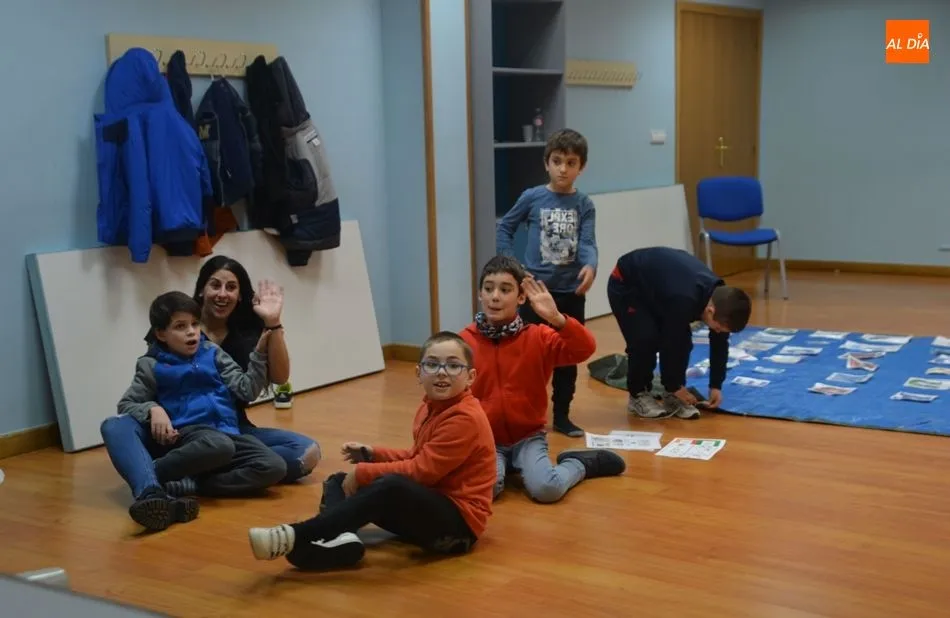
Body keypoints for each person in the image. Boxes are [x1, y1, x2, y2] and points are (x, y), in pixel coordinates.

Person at [100, 256, 321, 531]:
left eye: (231, 287)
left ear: (241, 296)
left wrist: (270, 332)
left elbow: (255, 386)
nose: (191, 332)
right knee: (117, 426)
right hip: (185, 431)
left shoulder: (217, 350)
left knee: (285, 460)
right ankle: (150, 482)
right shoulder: (158, 352)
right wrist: (153, 410)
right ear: (202, 289)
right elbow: (136, 397)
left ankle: (188, 483)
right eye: (215, 285)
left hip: (231, 429)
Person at [248, 331, 496, 570]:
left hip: (458, 529)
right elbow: (416, 455)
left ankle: (297, 534)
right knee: (340, 481)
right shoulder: (431, 407)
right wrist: (373, 453)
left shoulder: (464, 418)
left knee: (388, 485)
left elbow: (422, 472)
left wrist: (365, 472)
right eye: (432, 364)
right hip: (431, 503)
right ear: (418, 373)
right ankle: (342, 543)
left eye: (453, 366)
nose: (442, 372)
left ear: (471, 377)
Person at [114, 291, 288, 531]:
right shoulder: (151, 364)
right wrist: (153, 409)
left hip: (230, 434)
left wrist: (259, 354)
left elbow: (247, 390)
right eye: (180, 326)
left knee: (274, 467)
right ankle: (151, 477)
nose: (191, 332)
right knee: (219, 445)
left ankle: (194, 486)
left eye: (195, 324)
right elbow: (126, 405)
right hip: (191, 436)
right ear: (161, 334)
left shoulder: (213, 353)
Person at [460, 256, 625, 505]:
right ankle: (507, 466)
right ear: (480, 294)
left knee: (547, 489)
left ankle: (578, 463)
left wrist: (557, 318)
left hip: (528, 436)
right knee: (486, 490)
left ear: (521, 298)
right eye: (488, 288)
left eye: (505, 290)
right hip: (485, 438)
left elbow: (584, 349)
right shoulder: (464, 341)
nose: (495, 296)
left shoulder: (538, 337)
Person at [496, 128, 597, 438]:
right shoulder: (532, 197)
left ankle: (563, 416)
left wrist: (591, 265)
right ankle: (523, 416)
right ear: (546, 163)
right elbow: (505, 229)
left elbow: (588, 242)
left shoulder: (584, 204)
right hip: (535, 294)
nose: (563, 169)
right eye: (557, 161)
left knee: (567, 360)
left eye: (570, 162)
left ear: (582, 167)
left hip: (570, 294)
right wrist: (514, 268)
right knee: (528, 357)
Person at [606, 246, 752, 420]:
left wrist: (715, 385)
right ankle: (638, 394)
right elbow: (670, 341)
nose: (718, 332)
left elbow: (719, 343)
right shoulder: (684, 299)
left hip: (660, 288)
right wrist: (675, 386)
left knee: (683, 341)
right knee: (645, 340)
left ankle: (671, 395)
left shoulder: (722, 299)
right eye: (719, 327)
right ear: (710, 311)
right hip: (627, 284)